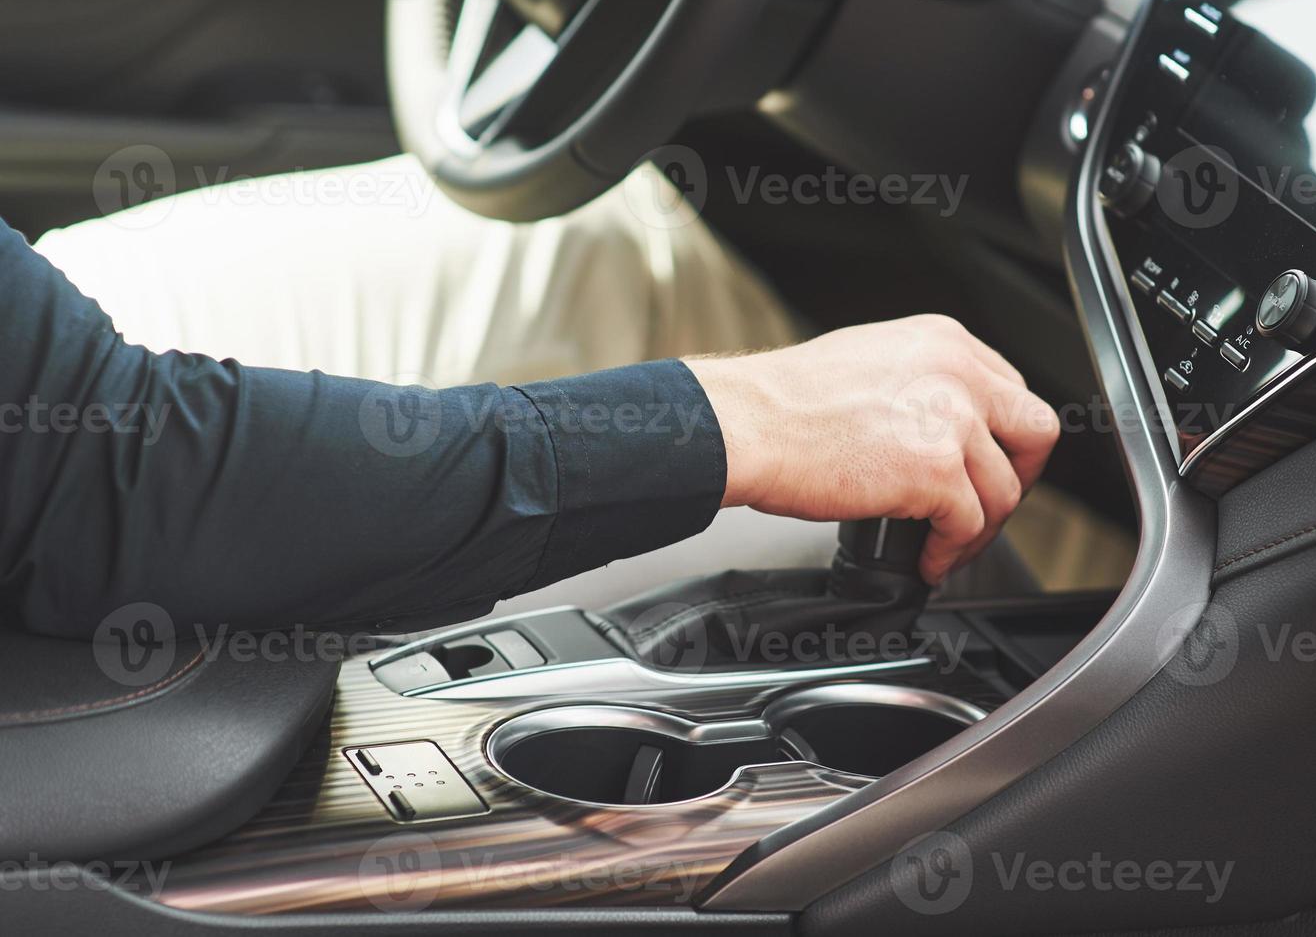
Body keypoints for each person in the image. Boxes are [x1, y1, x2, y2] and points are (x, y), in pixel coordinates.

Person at [0, 209, 1060, 640]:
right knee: (649, 271)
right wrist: (744, 415)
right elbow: (113, 485)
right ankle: (1086, 584)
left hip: (44, 351)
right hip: (82, 463)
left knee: (602, 246)